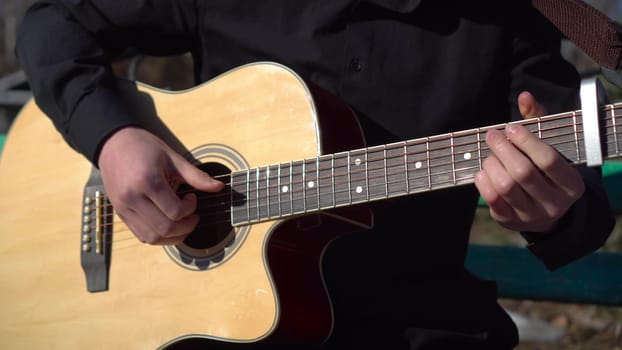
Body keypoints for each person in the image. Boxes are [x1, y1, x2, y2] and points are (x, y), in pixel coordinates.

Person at [15, 0, 615, 349]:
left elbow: (579, 200)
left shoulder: (509, 16)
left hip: (415, 323)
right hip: (209, 328)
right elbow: (53, 22)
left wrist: (554, 210)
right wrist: (112, 137)